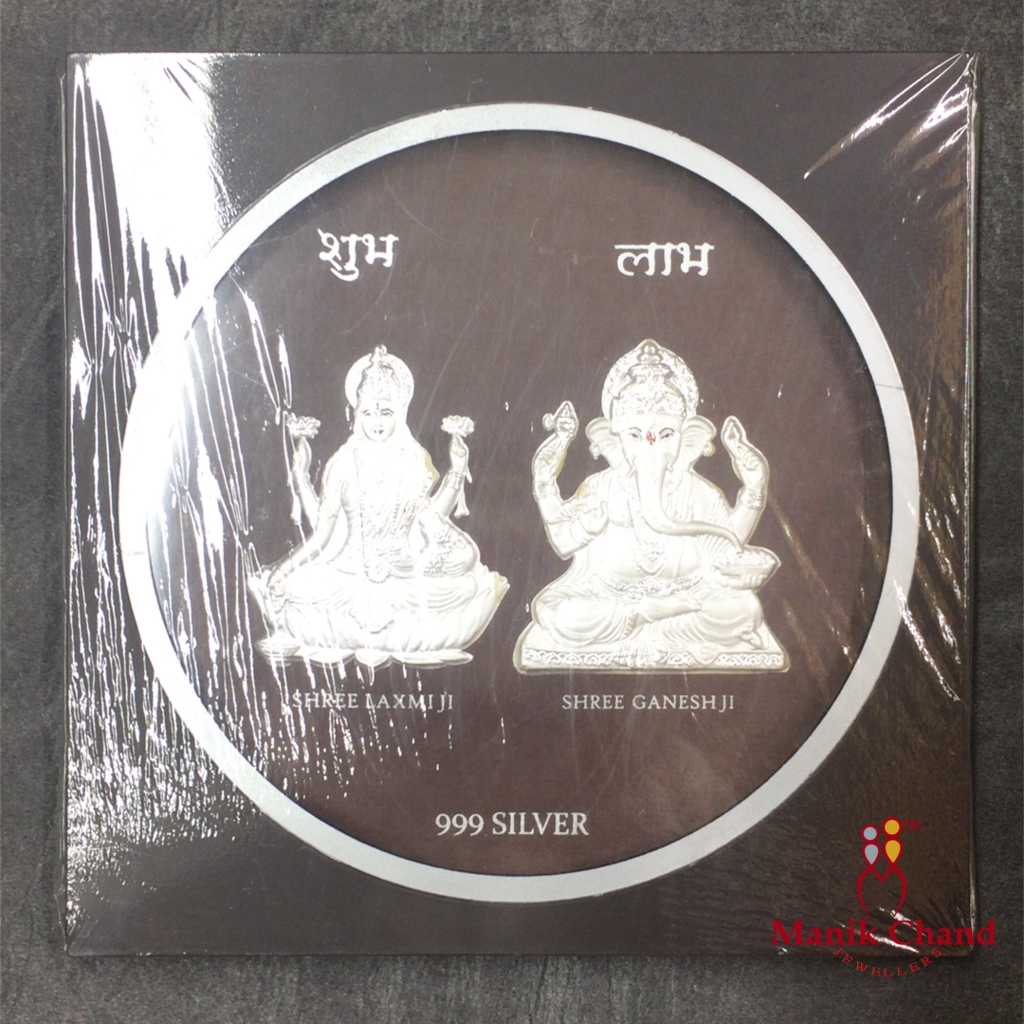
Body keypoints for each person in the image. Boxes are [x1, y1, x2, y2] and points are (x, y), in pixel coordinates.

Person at [515, 338, 787, 673]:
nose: (650, 444)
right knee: (562, 614)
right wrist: (567, 507)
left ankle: (656, 618)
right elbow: (562, 541)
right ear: (613, 440)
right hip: (611, 598)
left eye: (666, 434)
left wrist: (754, 489)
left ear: (688, 440)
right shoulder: (601, 488)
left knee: (745, 609)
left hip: (689, 599)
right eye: (635, 435)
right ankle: (646, 614)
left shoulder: (697, 491)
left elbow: (727, 547)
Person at [250, 345, 508, 668]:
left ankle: (331, 631)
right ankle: (411, 636)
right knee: (293, 586)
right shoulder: (342, 464)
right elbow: (323, 534)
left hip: (403, 576)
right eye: (368, 413)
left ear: (399, 413)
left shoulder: (414, 461)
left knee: (467, 587)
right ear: (357, 414)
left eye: (385, 412)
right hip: (348, 575)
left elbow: (432, 518)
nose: (377, 422)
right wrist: (285, 568)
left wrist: (456, 471)